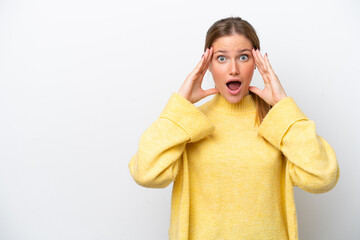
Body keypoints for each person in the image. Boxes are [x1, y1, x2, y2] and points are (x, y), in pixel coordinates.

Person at [128, 17, 340, 240]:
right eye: (221, 58)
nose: (233, 69)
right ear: (208, 65)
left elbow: (323, 178)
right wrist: (179, 105)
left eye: (243, 57)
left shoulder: (277, 123)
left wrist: (283, 105)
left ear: (256, 63)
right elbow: (146, 174)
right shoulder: (189, 123)